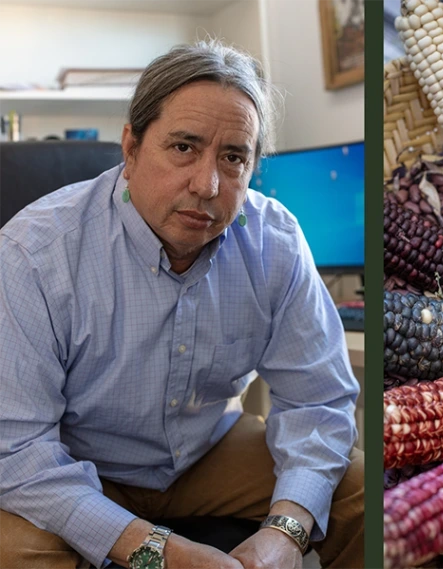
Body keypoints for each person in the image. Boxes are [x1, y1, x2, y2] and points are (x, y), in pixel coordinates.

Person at [0, 40, 363, 568]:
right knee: (15, 549)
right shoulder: (33, 254)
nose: (207, 184)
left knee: (361, 490)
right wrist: (158, 553)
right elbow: (18, 451)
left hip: (203, 452)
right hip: (78, 463)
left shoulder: (275, 242)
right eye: (184, 147)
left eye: (233, 157)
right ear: (130, 149)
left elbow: (316, 402)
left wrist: (286, 532)